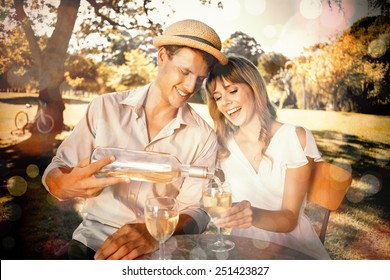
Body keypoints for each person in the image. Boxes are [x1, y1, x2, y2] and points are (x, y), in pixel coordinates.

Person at [42, 19, 227, 260]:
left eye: (201, 79)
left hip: (159, 250)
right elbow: (57, 169)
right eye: (185, 71)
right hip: (94, 241)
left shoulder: (202, 136)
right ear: (162, 57)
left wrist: (155, 232)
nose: (191, 86)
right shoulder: (105, 108)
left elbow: (198, 212)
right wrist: (63, 184)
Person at [204, 56, 330, 259]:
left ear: (254, 88)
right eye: (217, 97)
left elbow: (289, 219)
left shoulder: (294, 137)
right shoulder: (222, 149)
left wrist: (252, 214)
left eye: (232, 91)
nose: (225, 103)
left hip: (293, 250)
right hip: (242, 250)